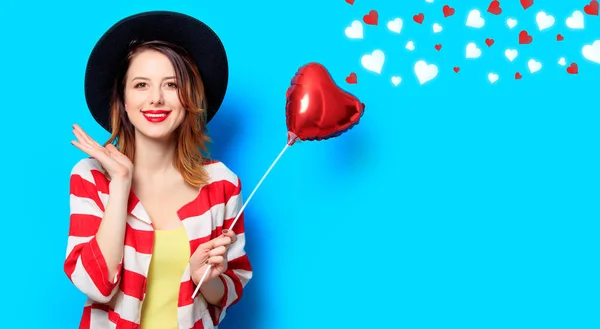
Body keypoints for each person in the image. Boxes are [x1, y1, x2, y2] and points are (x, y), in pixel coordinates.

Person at [63, 11, 252, 329]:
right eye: (140, 85)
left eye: (171, 85)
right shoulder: (91, 176)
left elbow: (229, 290)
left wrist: (202, 276)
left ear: (188, 97)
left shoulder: (222, 183)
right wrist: (121, 183)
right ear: (123, 99)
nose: (156, 99)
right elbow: (96, 285)